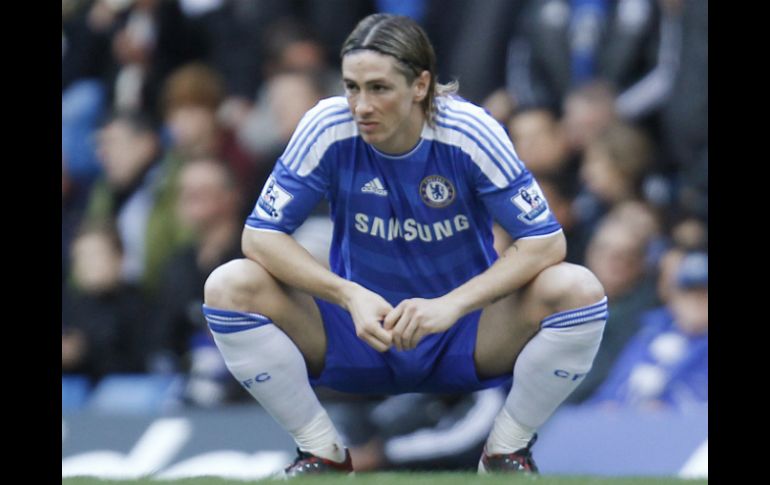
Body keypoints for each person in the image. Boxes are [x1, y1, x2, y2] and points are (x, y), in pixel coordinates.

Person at [202, 14, 607, 476]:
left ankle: (506, 451)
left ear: (421, 85)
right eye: (352, 87)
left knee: (578, 289)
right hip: (360, 329)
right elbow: (260, 236)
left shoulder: (470, 131)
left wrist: (452, 305)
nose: (361, 105)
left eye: (379, 88)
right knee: (229, 285)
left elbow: (545, 242)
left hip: (465, 331)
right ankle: (320, 451)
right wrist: (347, 294)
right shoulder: (326, 126)